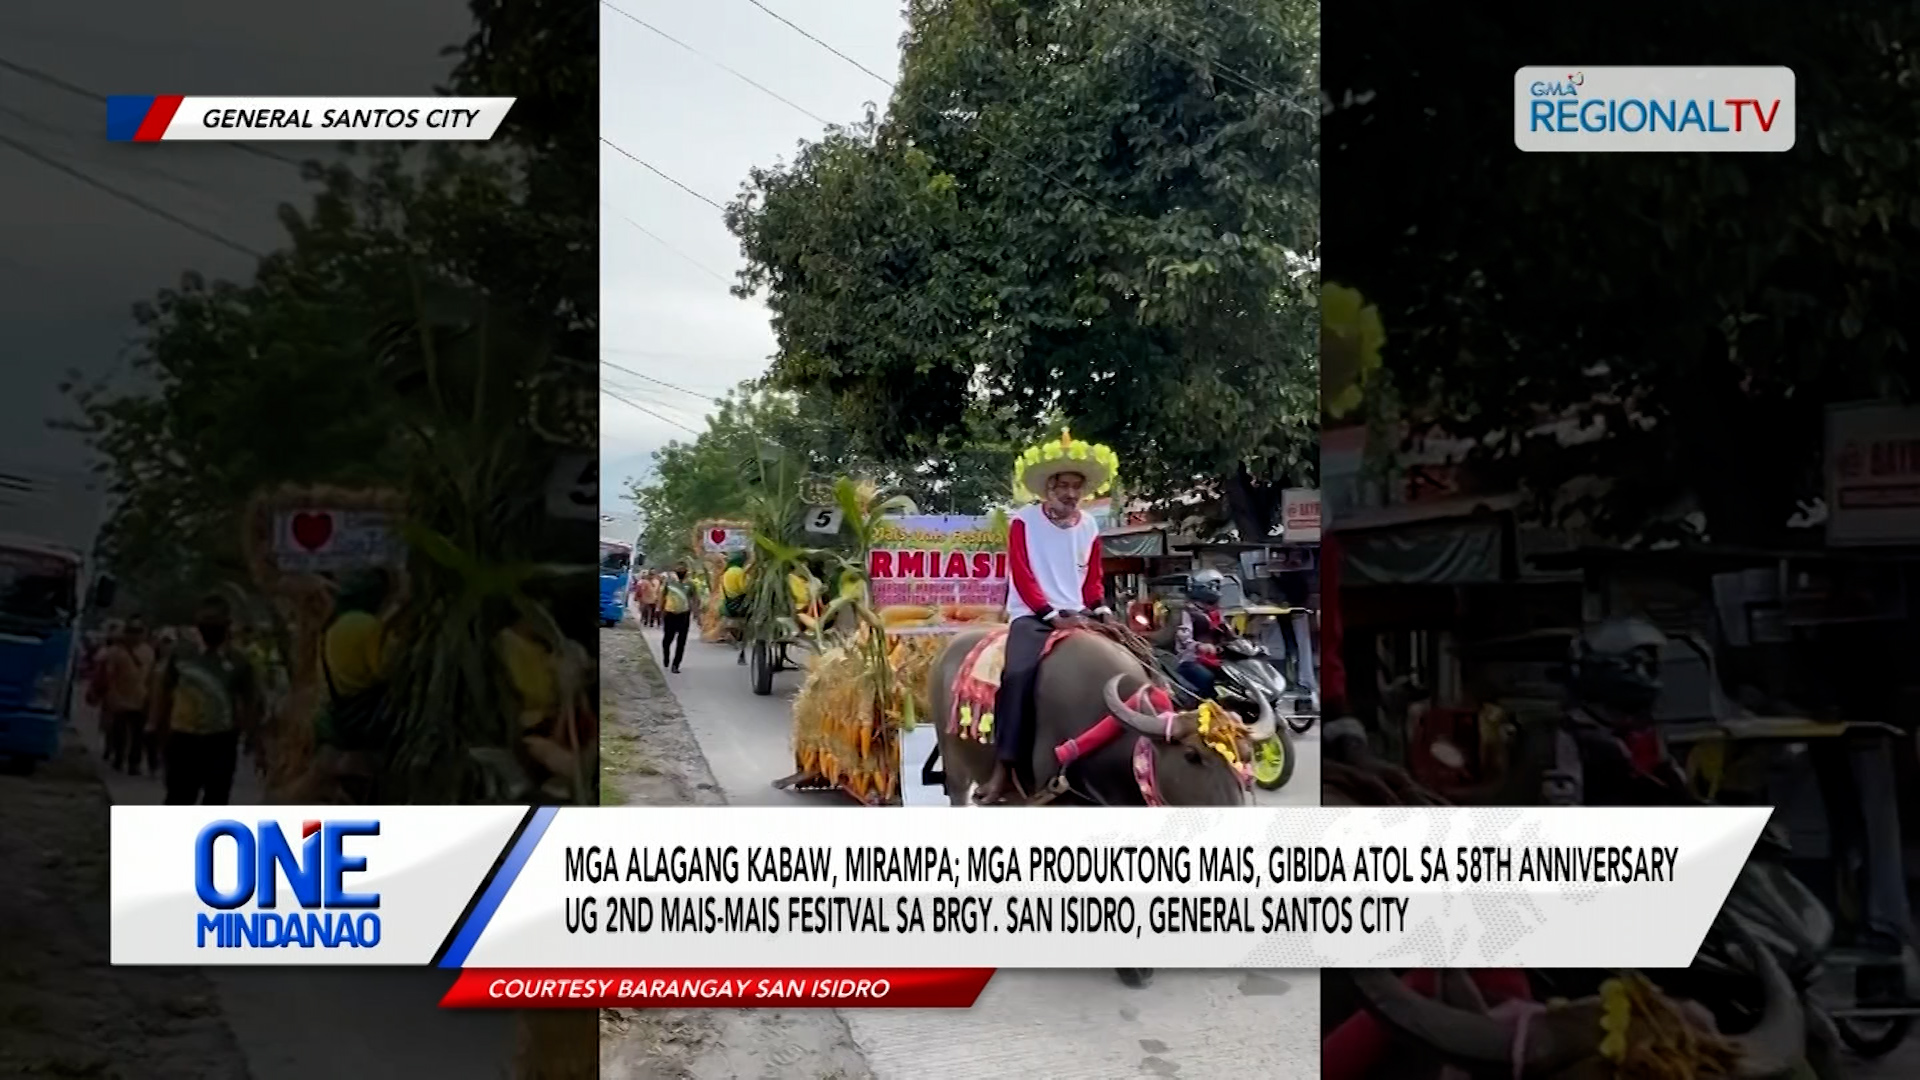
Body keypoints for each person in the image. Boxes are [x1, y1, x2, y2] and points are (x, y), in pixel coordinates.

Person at [976, 431, 1120, 805]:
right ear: (1048, 488)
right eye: (1064, 486)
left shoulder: (1089, 525)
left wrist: (1101, 609)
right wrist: (1050, 614)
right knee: (1018, 674)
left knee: (1139, 655)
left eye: (1077, 487)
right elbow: (1023, 575)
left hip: (1079, 613)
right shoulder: (1024, 521)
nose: (1071, 493)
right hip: (1033, 616)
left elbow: (1091, 578)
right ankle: (1003, 767)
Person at [151, 594, 261, 805]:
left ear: (227, 625)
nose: (210, 628)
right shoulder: (182, 654)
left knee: (216, 798)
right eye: (205, 623)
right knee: (179, 797)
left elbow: (250, 700)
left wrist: (253, 737)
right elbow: (163, 689)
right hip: (184, 738)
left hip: (220, 740)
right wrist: (155, 723)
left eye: (216, 623)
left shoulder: (239, 661)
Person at [100, 617, 156, 774]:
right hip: (121, 698)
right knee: (120, 732)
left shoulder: (148, 651)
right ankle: (119, 758)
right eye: (132, 632)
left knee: (138, 733)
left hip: (141, 698)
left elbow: (151, 674)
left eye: (139, 632)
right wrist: (112, 695)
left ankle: (134, 763)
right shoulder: (117, 652)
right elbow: (109, 675)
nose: (136, 635)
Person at [1173, 570, 1236, 699]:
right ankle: (1204, 707)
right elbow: (1184, 638)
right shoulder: (1187, 612)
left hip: (1216, 659)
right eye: (1216, 586)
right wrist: (1199, 646)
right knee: (1209, 679)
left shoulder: (1216, 612)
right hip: (1190, 659)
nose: (1219, 590)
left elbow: (1229, 634)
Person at [659, 567, 693, 674]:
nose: (682, 571)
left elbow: (694, 598)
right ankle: (666, 657)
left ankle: (676, 664)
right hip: (670, 614)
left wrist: (696, 612)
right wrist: (660, 610)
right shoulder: (669, 583)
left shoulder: (690, 584)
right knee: (667, 640)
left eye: (684, 569)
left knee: (681, 642)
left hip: (684, 615)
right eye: (679, 569)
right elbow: (662, 596)